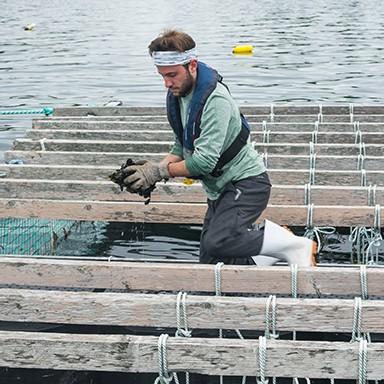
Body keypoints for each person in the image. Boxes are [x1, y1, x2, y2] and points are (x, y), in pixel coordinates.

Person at [123, 29, 316, 267]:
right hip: (219, 190)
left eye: (172, 75)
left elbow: (204, 162)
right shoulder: (180, 94)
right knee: (212, 261)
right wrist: (151, 171)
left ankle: (292, 243)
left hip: (247, 183)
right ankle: (266, 255)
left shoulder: (216, 100)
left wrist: (159, 172)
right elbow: (180, 147)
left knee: (219, 242)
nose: (167, 83)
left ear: (192, 65)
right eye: (162, 75)